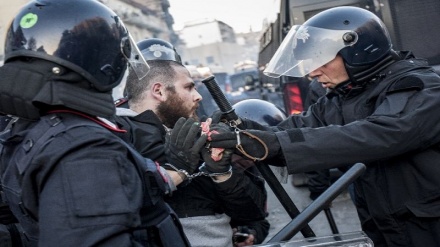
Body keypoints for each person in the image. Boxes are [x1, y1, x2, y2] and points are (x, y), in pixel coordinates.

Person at [208, 6, 440, 246]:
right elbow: (298, 127)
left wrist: (273, 144)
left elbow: (379, 134)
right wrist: (243, 131)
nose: (312, 72)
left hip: (429, 226)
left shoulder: (421, 87)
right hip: (386, 226)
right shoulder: (344, 96)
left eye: (321, 59)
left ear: (357, 51)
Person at [0, 0, 191, 246]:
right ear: (103, 60)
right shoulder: (84, 147)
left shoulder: (32, 128)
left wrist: (178, 167)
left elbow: (121, 185)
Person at [114, 38, 269, 247]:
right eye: (188, 87)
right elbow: (113, 207)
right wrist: (173, 169)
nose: (198, 97)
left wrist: (223, 174)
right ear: (158, 90)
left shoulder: (199, 126)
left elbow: (254, 213)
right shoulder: (114, 135)